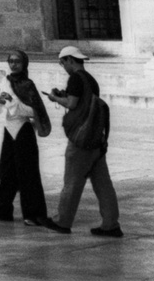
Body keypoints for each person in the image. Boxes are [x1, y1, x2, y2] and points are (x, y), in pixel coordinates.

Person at [43, 45, 121, 237]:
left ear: (70, 60)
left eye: (63, 63)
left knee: (72, 180)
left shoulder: (76, 78)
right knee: (103, 183)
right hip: (95, 139)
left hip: (81, 139)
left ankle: (63, 221)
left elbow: (72, 104)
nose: (64, 67)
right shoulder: (91, 80)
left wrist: (54, 98)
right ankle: (111, 224)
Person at [0, 50, 53, 225]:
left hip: (23, 130)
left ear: (24, 64)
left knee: (28, 174)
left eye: (17, 61)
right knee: (6, 171)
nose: (13, 64)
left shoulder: (27, 84)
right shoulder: (6, 81)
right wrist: (0, 101)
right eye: (11, 61)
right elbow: (3, 102)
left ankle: (33, 214)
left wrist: (12, 103)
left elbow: (33, 110)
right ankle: (1, 209)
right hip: (9, 129)